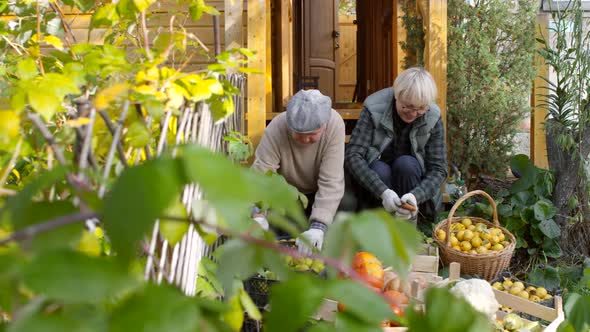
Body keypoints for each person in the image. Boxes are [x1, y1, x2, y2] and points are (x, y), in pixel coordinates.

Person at [343, 67, 447, 224]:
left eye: (419, 109)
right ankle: (375, 230)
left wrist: (415, 196)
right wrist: (383, 192)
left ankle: (408, 226)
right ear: (396, 95)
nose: (412, 114)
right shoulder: (373, 107)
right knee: (380, 169)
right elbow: (353, 155)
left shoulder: (433, 116)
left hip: (411, 180)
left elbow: (438, 169)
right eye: (407, 107)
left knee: (406, 164)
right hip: (375, 185)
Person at [251, 89, 345, 254]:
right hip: (289, 193)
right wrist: (257, 213)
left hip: (320, 190)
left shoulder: (335, 124)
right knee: (284, 238)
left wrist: (318, 226)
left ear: (324, 125)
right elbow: (261, 174)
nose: (305, 140)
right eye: (299, 134)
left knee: (343, 211)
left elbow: (331, 181)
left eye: (312, 135)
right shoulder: (277, 128)